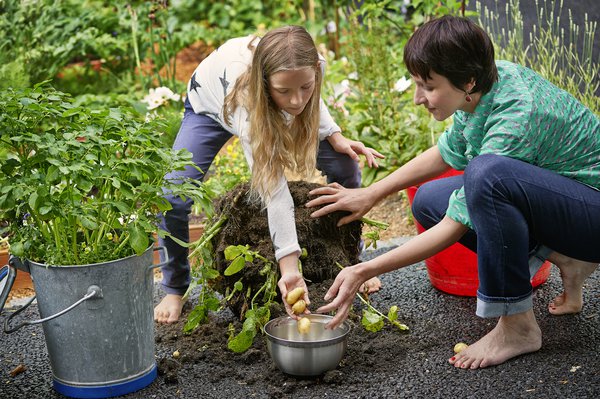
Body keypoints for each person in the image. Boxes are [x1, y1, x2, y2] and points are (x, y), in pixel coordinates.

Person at [306, 15, 599, 369]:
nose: (418, 98)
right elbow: (448, 152)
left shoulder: (516, 115)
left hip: (592, 212)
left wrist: (364, 269)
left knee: (487, 176)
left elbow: (459, 219)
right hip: (570, 203)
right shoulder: (481, 87)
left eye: (428, 86)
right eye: (416, 84)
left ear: (468, 80)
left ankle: (517, 326)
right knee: (430, 200)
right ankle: (569, 259)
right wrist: (371, 193)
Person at [154, 25, 385, 324]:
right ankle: (174, 287)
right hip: (211, 107)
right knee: (173, 196)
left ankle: (352, 262)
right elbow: (275, 194)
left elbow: (311, 101)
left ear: (315, 70)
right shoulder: (249, 106)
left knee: (345, 166)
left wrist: (334, 134)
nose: (296, 101)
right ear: (264, 82)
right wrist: (290, 271)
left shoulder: (309, 71)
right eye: (284, 90)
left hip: (264, 96)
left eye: (306, 86)